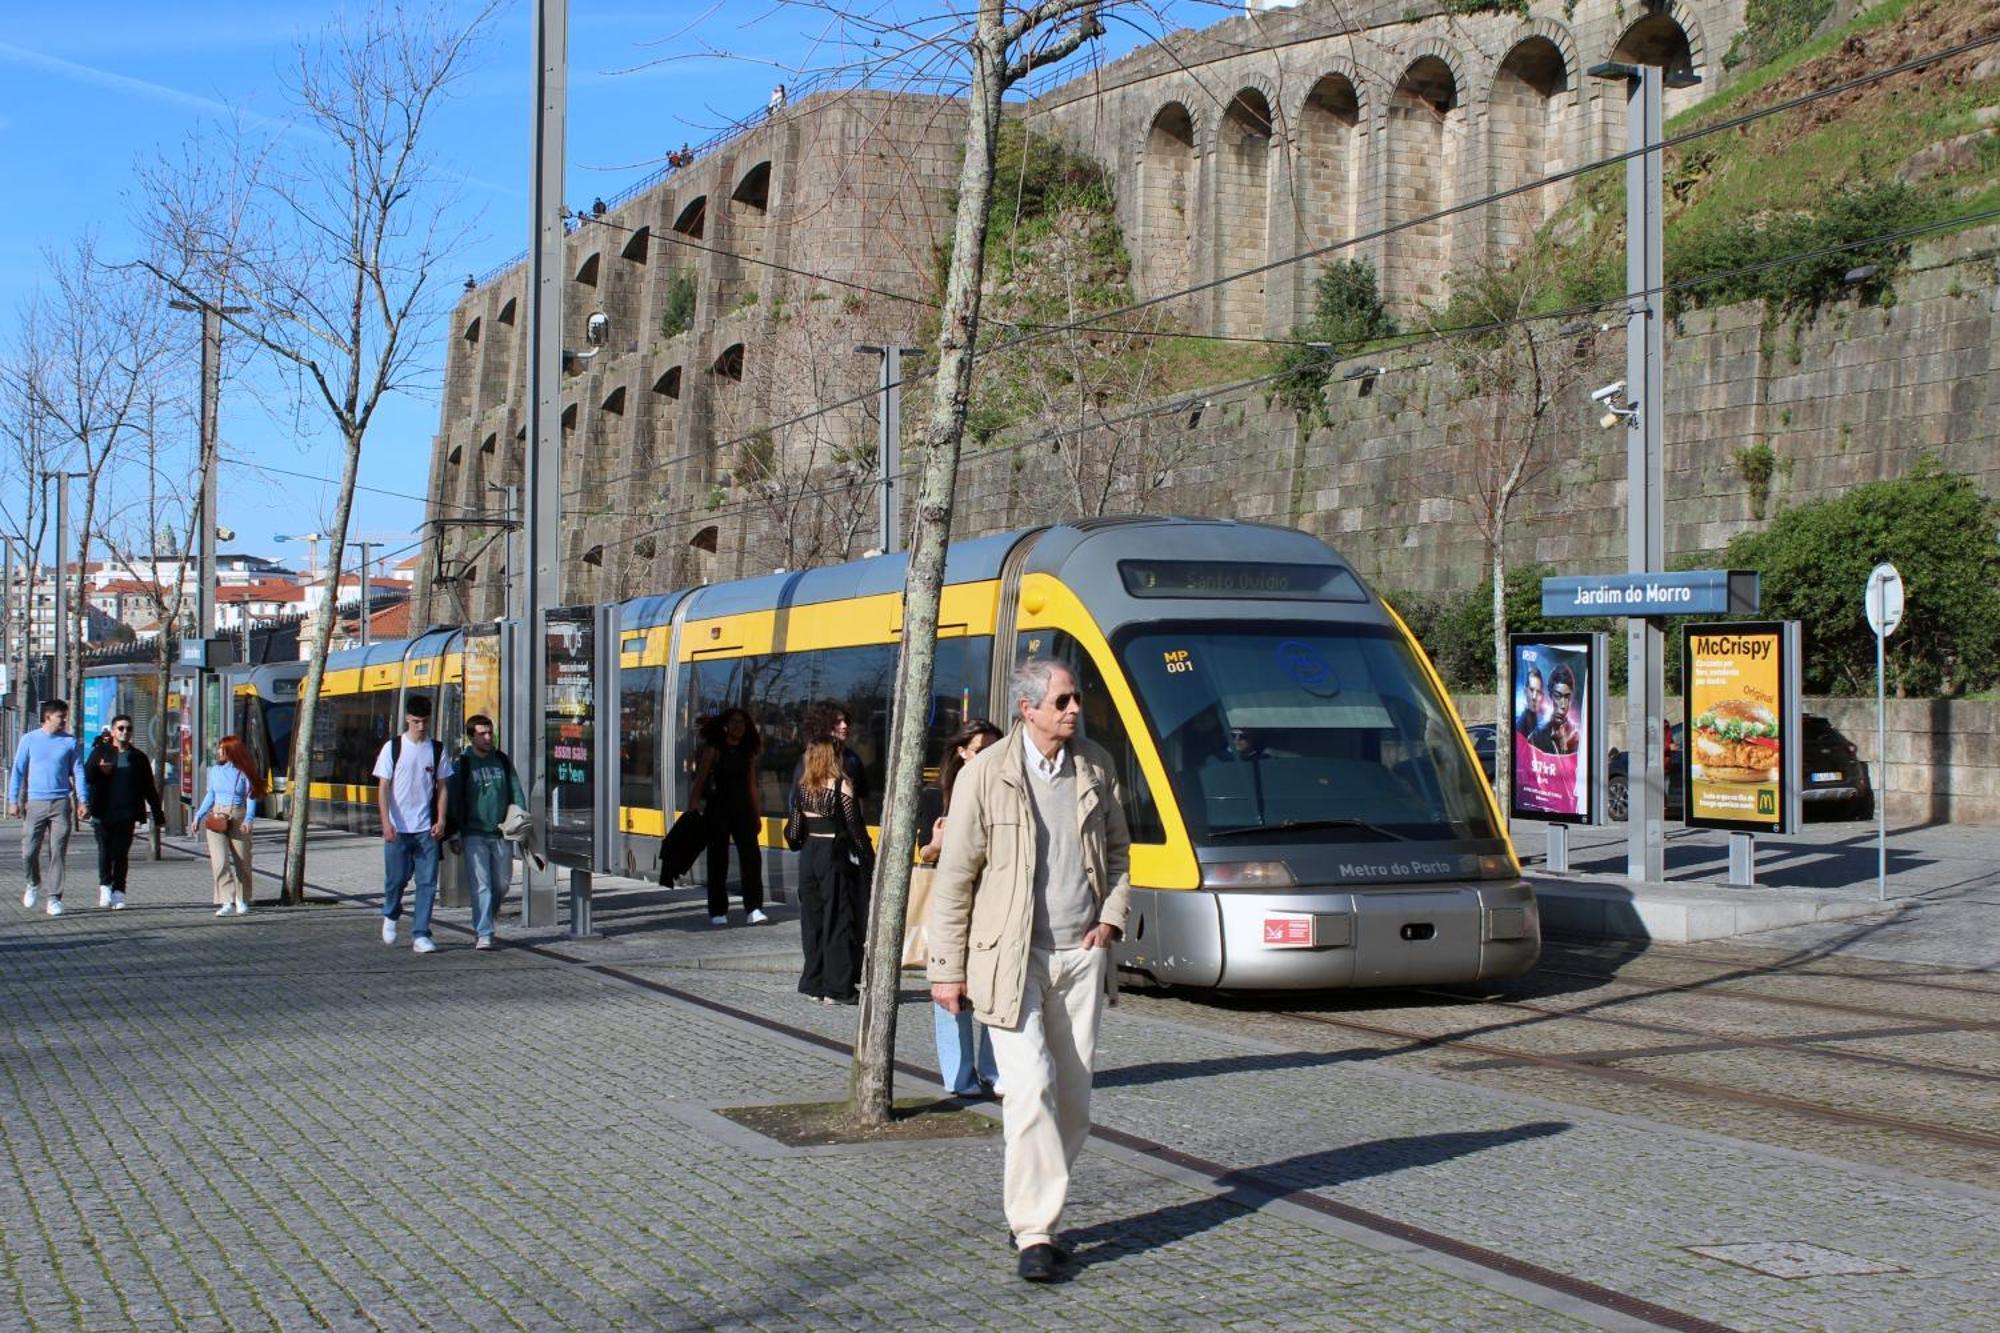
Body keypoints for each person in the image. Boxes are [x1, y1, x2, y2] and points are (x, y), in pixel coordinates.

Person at [927, 659, 1132, 1283]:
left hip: (1080, 955)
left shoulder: (1095, 765)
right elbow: (956, 877)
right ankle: (1035, 1231)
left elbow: (1120, 854)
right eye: (1063, 700)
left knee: (1073, 1101)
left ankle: (1038, 1207)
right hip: (1009, 959)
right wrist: (945, 969)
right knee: (1031, 1084)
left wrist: (1112, 920)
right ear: (1029, 708)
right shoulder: (986, 775)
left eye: (1075, 700)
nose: (1074, 709)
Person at [919, 718, 1004, 1095]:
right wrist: (936, 845)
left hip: (992, 902)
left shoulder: (1005, 790)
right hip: (949, 904)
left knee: (995, 986)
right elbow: (922, 854)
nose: (990, 759)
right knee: (951, 987)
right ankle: (959, 1074)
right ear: (962, 752)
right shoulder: (935, 797)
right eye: (981, 751)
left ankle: (992, 1068)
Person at [786, 738, 873, 1004]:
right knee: (838, 918)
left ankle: (814, 982)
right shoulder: (841, 786)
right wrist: (869, 859)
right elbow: (856, 829)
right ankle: (837, 987)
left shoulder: (804, 788)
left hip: (809, 857)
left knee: (812, 920)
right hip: (833, 855)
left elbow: (795, 831)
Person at [373, 694, 453, 953]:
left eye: (425, 722)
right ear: (407, 718)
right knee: (396, 879)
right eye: (416, 721)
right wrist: (386, 822)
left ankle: (421, 934)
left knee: (427, 883)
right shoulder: (393, 748)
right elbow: (383, 787)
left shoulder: (437, 749)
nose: (421, 726)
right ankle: (391, 912)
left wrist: (441, 820)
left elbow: (442, 787)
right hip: (398, 828)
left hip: (425, 829)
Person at [446, 713, 524, 951]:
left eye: (490, 732)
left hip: (500, 832)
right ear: (471, 737)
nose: (489, 738)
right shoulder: (463, 764)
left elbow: (515, 790)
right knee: (482, 885)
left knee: (501, 884)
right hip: (473, 833)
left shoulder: (501, 759)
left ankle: (487, 916)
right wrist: (454, 832)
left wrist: (520, 820)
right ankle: (484, 932)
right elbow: (454, 799)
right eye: (482, 734)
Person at [689, 708, 765, 925]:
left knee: (751, 859)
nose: (739, 726)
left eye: (742, 722)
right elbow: (701, 779)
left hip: (743, 811)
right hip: (718, 809)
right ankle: (718, 911)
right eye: (734, 722)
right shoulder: (714, 749)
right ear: (726, 725)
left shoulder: (747, 751)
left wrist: (756, 813)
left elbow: (752, 785)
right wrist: (692, 807)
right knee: (717, 860)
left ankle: (754, 908)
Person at [82, 714, 166, 909]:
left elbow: (148, 787)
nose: (125, 732)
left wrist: (157, 813)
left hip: (126, 812)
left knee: (121, 853)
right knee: (105, 850)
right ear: (113, 731)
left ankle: (119, 891)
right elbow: (86, 775)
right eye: (120, 728)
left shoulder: (138, 757)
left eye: (128, 728)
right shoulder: (100, 752)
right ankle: (105, 886)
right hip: (103, 810)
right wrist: (98, 771)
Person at [12, 698, 87, 916]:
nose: (64, 720)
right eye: (60, 717)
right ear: (47, 717)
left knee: (57, 851)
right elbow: (17, 770)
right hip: (35, 802)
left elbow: (79, 772)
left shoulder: (69, 742)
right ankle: (33, 882)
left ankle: (54, 897)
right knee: (29, 850)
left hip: (61, 802)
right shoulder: (29, 740)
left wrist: (83, 800)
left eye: (65, 716)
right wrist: (12, 801)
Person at [190, 736, 264, 916]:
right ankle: (226, 899)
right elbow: (211, 795)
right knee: (220, 861)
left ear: (232, 752)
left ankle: (242, 898)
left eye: (222, 749)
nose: (218, 752)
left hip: (237, 814)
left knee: (242, 860)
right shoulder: (215, 771)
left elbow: (251, 796)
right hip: (217, 815)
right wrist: (198, 816)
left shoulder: (244, 772)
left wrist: (248, 819)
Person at [1539, 665, 1581, 756]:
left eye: (1567, 697)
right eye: (1558, 696)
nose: (1563, 705)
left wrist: (1563, 745)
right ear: (1551, 696)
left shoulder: (1577, 737)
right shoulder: (1537, 736)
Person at [1515, 667, 1546, 742]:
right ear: (1525, 691)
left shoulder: (1543, 721)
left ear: (1542, 696)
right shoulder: (1520, 726)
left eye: (1538, 692)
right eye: (1531, 690)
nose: (1534, 697)